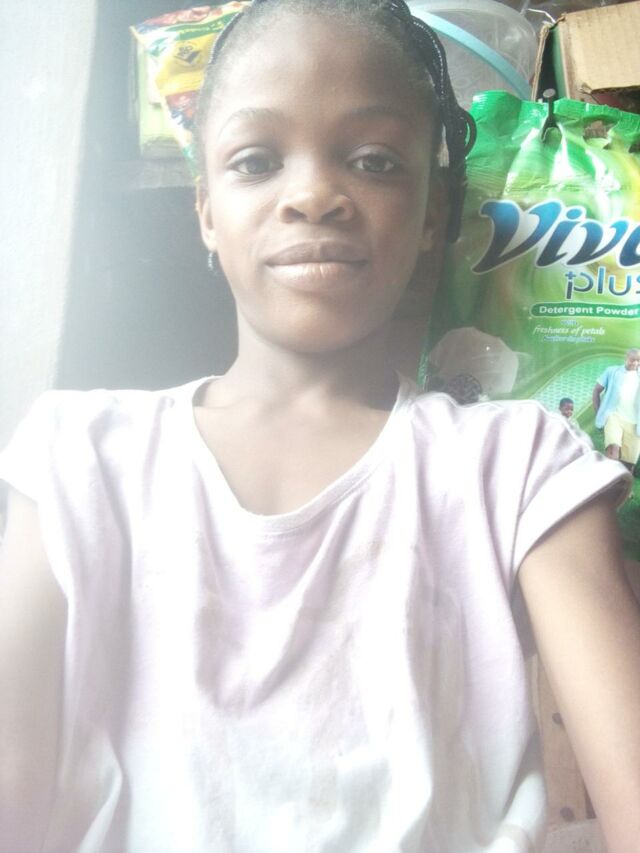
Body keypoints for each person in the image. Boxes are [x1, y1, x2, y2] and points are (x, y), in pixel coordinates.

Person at [1, 2, 640, 851]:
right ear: (206, 208)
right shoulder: (79, 459)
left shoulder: (521, 466)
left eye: (374, 160)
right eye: (256, 161)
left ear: (432, 213)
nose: (311, 196)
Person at [592, 348, 640, 473]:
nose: (635, 363)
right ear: (626, 358)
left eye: (638, 360)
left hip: (635, 424)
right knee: (613, 450)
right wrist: (599, 414)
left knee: (628, 465)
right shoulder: (612, 371)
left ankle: (621, 485)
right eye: (632, 360)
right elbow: (596, 390)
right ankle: (606, 482)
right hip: (613, 416)